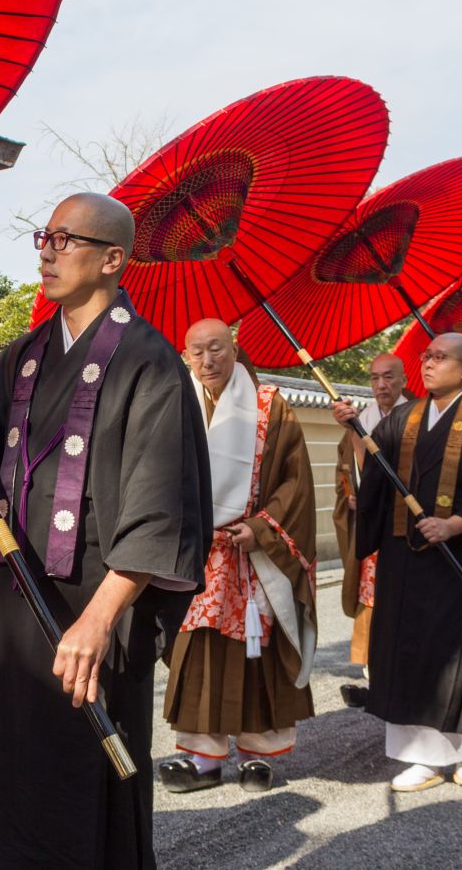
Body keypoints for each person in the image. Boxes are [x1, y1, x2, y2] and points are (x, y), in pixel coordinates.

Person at [0, 193, 210, 870]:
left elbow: (160, 504)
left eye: (67, 239)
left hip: (91, 602)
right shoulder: (23, 357)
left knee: (78, 775)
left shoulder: (152, 364)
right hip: (14, 597)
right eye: (45, 236)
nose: (48, 250)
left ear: (113, 258)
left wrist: (99, 619)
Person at [342, 332, 462, 793]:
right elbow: (376, 476)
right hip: (403, 558)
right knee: (405, 653)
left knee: (452, 655)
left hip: (454, 556)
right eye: (426, 356)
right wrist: (354, 429)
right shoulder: (404, 417)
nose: (427, 364)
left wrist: (456, 524)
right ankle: (420, 756)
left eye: (440, 358)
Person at [160, 319, 318, 794]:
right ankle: (201, 755)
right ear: (185, 355)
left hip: (255, 553)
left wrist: (263, 526)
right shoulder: (174, 403)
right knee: (197, 653)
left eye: (217, 349)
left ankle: (257, 753)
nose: (208, 361)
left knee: (257, 652)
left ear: (234, 349)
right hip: (196, 554)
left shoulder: (271, 406)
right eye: (197, 352)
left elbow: (296, 481)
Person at [329, 353, 409, 709]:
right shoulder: (361, 420)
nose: (381, 385)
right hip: (370, 528)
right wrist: (349, 495)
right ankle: (373, 667)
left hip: (403, 525)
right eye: (375, 378)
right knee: (369, 596)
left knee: (401, 596)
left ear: (404, 379)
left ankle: (400, 665)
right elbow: (347, 469)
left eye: (389, 377)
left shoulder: (417, 418)